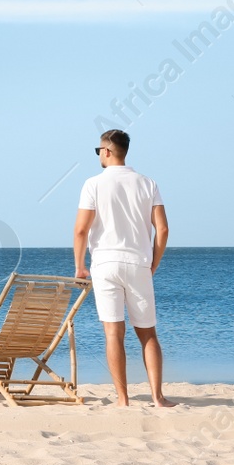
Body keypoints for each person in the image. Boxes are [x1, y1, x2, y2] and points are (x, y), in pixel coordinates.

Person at [72, 129, 175, 408]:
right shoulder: (147, 183)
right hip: (138, 263)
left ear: (106, 151)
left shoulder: (93, 184)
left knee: (113, 334)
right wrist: (154, 261)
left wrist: (80, 267)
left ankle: (123, 398)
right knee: (148, 333)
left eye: (98, 151)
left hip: (105, 264)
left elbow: (81, 230)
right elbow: (162, 229)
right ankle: (157, 397)